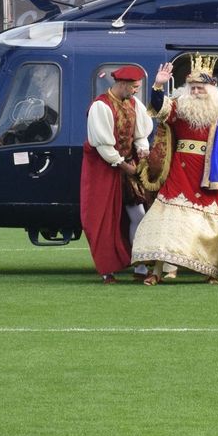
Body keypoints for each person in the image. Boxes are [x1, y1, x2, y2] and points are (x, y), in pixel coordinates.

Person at [132, 55, 218, 283]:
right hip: (181, 170)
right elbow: (159, 106)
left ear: (212, 88)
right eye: (193, 88)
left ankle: (209, 271)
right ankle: (156, 272)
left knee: (209, 226)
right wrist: (158, 85)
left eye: (200, 88)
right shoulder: (180, 107)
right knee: (166, 220)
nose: (196, 92)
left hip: (212, 176)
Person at [80, 65, 154, 283]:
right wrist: (125, 166)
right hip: (103, 169)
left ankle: (140, 266)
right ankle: (107, 269)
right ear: (122, 84)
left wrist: (142, 149)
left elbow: (140, 133)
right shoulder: (100, 107)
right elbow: (103, 147)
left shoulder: (134, 104)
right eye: (134, 87)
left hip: (126, 165)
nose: (136, 91)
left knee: (138, 215)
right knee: (103, 218)